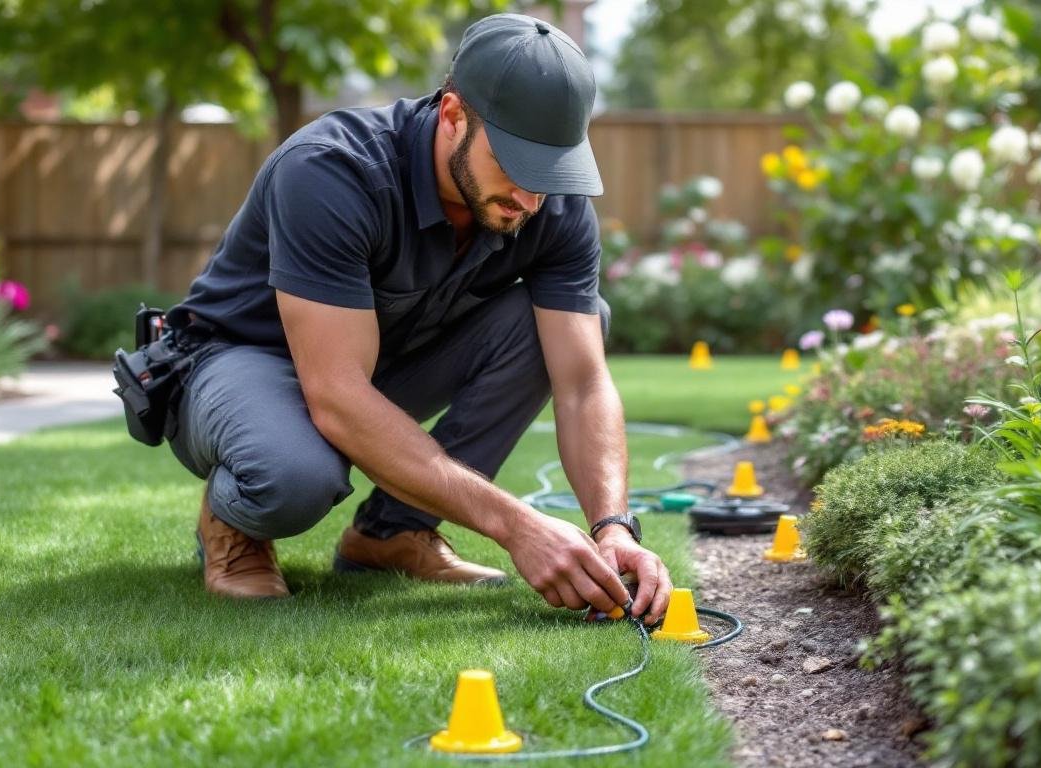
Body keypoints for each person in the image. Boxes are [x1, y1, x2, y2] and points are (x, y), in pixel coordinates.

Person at [162, 13, 672, 625]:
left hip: (371, 365)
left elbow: (583, 384)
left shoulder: (551, 206)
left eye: (551, 170)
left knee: (562, 326)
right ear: (453, 115)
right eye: (515, 163)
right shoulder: (332, 170)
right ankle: (234, 522)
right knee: (292, 476)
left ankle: (392, 532)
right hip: (235, 364)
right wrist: (516, 526)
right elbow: (339, 396)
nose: (531, 198)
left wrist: (613, 527)